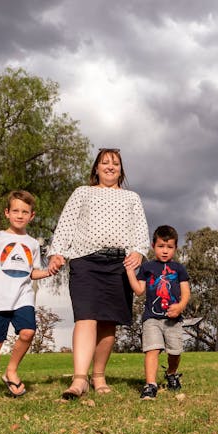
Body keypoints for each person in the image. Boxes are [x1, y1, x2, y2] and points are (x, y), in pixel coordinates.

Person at [47, 148, 150, 399]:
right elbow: (66, 224)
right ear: (96, 168)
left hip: (119, 265)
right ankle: (79, 379)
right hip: (85, 262)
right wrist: (56, 253)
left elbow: (141, 231)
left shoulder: (132, 198)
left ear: (121, 170)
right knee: (86, 317)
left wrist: (138, 251)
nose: (110, 166)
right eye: (105, 162)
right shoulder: (83, 192)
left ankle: (99, 376)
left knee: (108, 322)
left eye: (115, 163)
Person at [0, 190, 53, 402]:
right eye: (15, 210)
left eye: (25, 212)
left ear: (31, 216)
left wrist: (49, 271)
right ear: (7, 213)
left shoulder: (33, 243)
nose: (20, 215)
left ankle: (11, 371)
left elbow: (32, 271)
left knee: (27, 332)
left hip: (23, 296)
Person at [126, 225, 190, 400]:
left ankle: (171, 373)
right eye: (161, 246)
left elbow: (185, 291)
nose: (165, 251)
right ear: (153, 245)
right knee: (152, 350)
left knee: (175, 352)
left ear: (175, 248)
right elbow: (139, 290)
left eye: (169, 247)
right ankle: (150, 385)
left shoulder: (179, 269)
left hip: (173, 320)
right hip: (151, 318)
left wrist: (180, 306)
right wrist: (130, 272)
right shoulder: (147, 267)